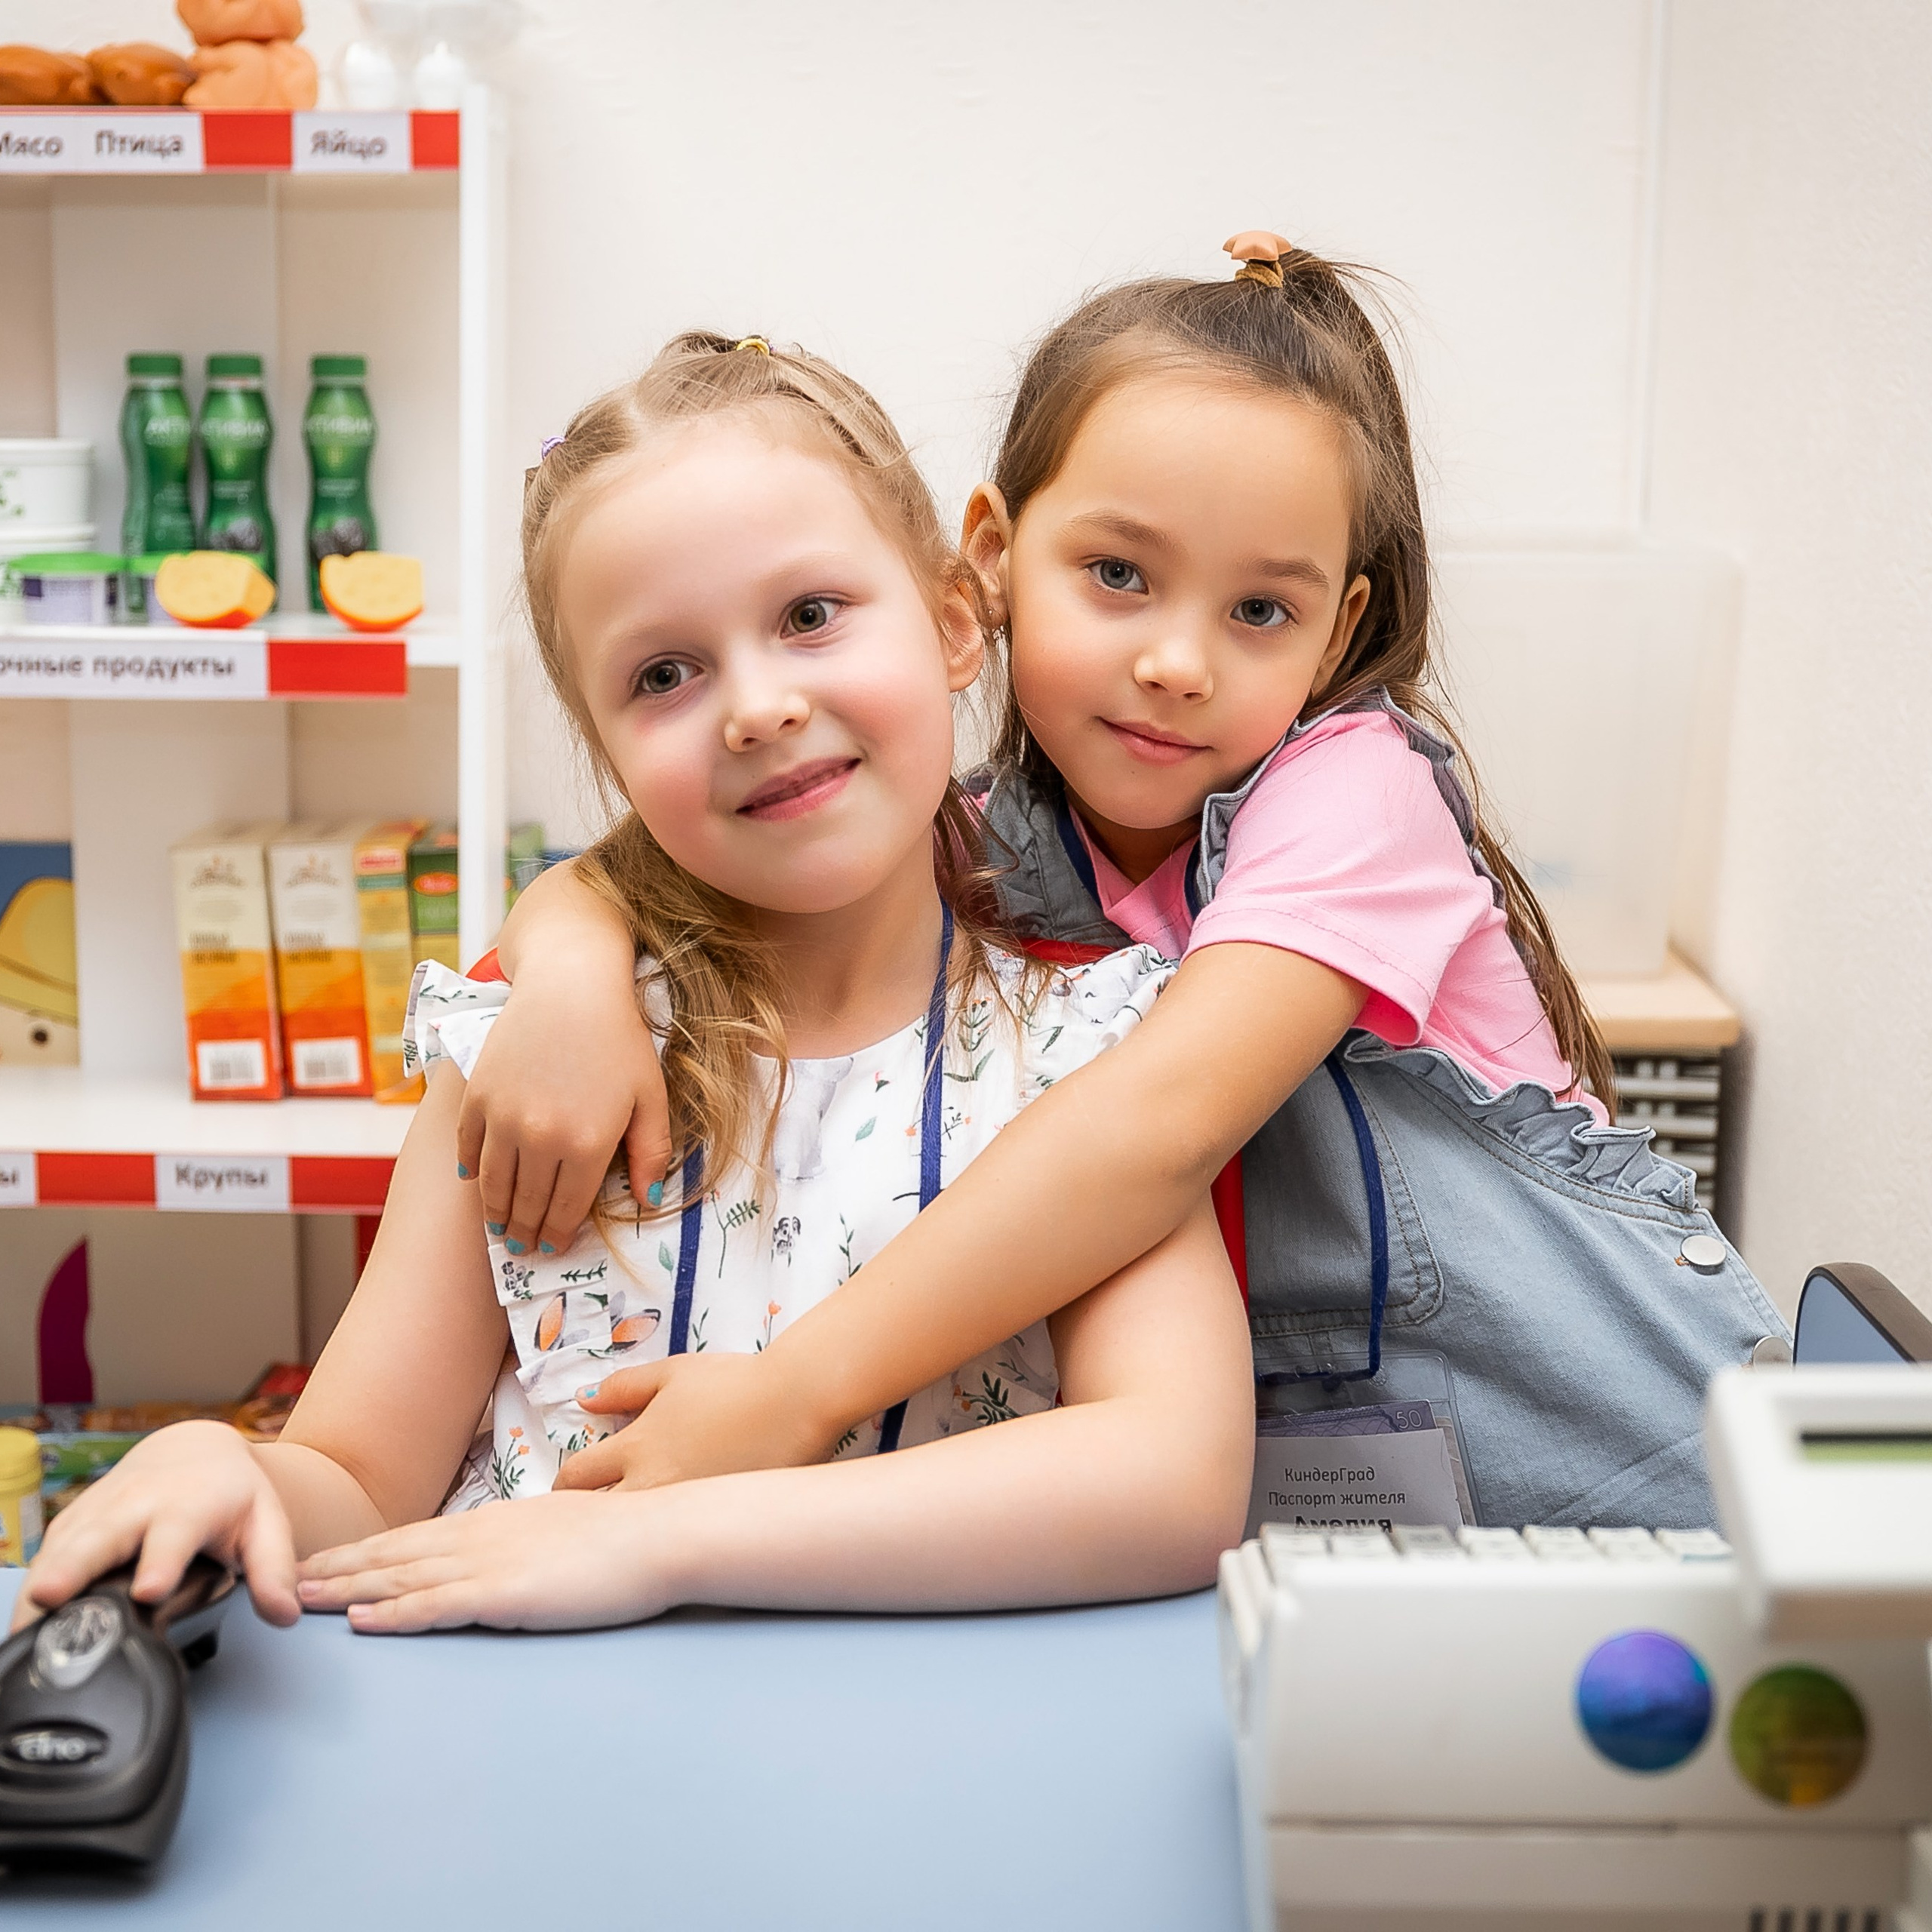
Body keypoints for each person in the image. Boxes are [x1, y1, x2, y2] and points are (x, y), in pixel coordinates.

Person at [464, 235, 1788, 1532]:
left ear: (1340, 628)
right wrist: (572, 964)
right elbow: (678, 857)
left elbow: (1152, 1131)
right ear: (986, 561)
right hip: (1328, 1526)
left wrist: (796, 1396)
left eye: (1260, 612)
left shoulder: (1353, 792)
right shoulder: (990, 841)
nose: (1176, 662)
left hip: (1649, 1481)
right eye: (1118, 576)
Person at [12, 334, 1252, 1638]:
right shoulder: (526, 1070)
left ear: (954, 621)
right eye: (664, 675)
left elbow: (1173, 1477)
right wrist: (224, 1464)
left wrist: (659, 1543)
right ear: (604, 749)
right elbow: (357, 1481)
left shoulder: (1099, 1057)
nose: (758, 706)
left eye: (810, 616)